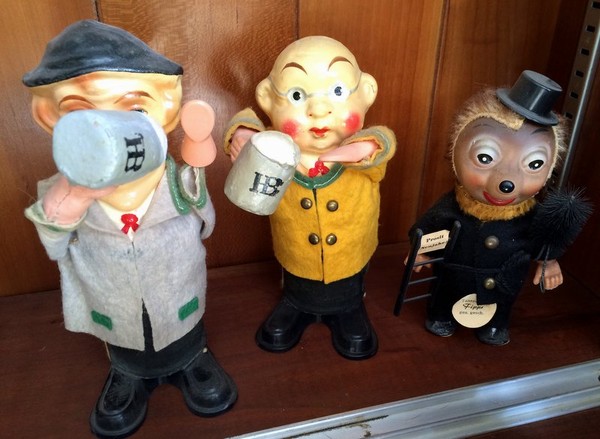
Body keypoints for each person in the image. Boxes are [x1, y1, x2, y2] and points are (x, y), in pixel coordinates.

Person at [23, 20, 236, 438]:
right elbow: (54, 244)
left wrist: (198, 145)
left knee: (183, 325)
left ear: (166, 110)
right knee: (122, 332)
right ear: (49, 118)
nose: (110, 134)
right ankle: (126, 371)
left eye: (134, 111)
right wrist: (72, 201)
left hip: (176, 287)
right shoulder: (63, 193)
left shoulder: (172, 180)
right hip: (110, 292)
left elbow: (204, 219)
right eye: (80, 112)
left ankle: (192, 358)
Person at [223, 36, 396, 360]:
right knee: (297, 284)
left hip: (350, 259)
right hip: (295, 259)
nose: (318, 110)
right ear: (268, 99)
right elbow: (245, 124)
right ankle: (296, 304)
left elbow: (382, 142)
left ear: (366, 92)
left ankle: (349, 307)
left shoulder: (365, 156)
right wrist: (243, 133)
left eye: (338, 91)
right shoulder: (276, 152)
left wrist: (355, 150)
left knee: (347, 290)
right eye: (297, 95)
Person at [407, 71, 591, 346]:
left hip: (504, 280)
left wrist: (548, 260)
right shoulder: (453, 206)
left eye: (534, 164)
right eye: (485, 157)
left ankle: (495, 324)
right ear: (455, 152)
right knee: (444, 294)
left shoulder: (530, 216)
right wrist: (421, 250)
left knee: (501, 302)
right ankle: (440, 315)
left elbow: (545, 238)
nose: (507, 181)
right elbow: (432, 225)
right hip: (453, 276)